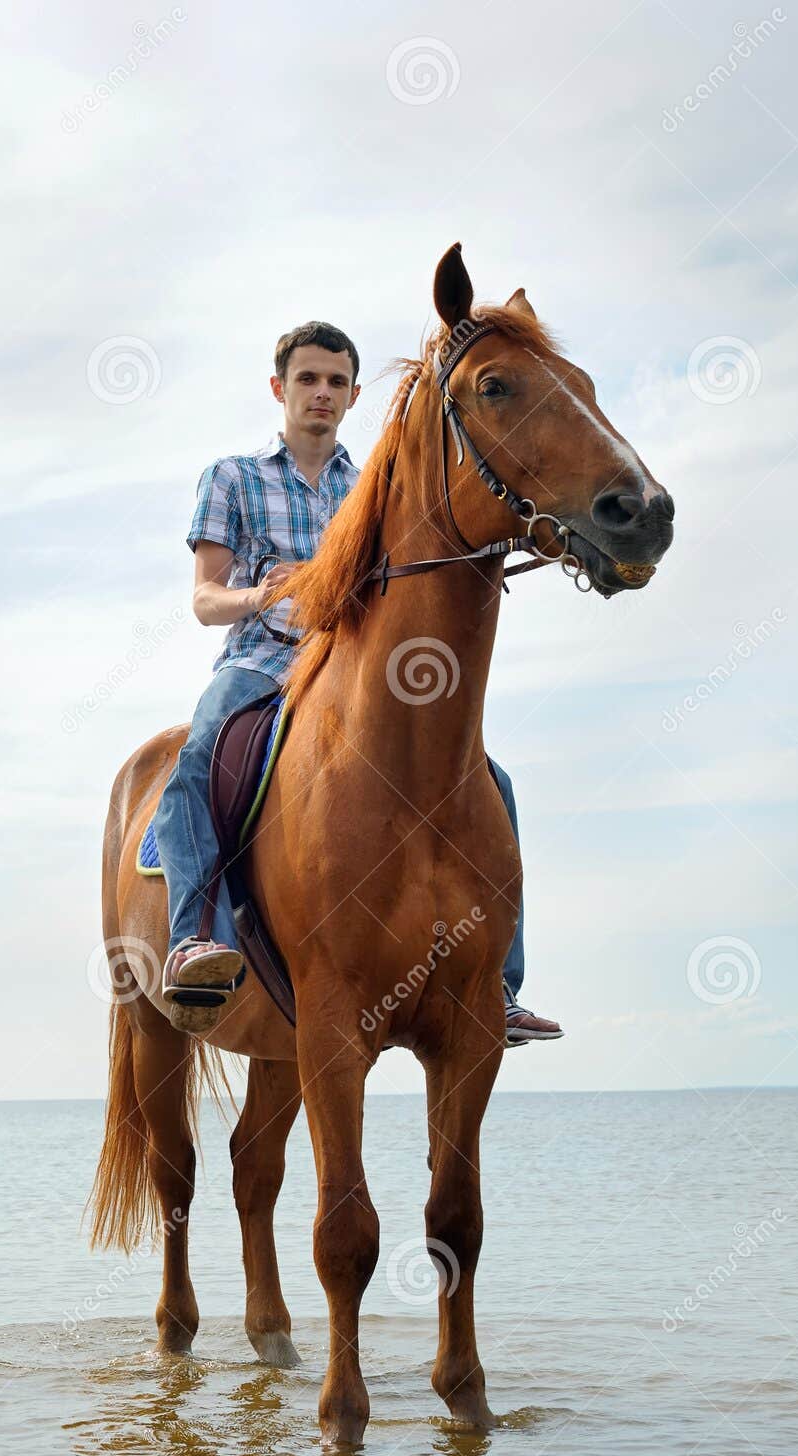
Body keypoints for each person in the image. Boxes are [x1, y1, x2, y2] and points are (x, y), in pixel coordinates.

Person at [152, 321, 562, 1047]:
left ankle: (497, 985)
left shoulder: (371, 483)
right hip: (259, 662)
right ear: (279, 389)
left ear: (351, 394)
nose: (322, 393)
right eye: (307, 379)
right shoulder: (232, 477)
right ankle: (194, 938)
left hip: (355, 672)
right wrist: (262, 595)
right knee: (195, 761)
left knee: (491, 782)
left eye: (336, 382)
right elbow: (203, 600)